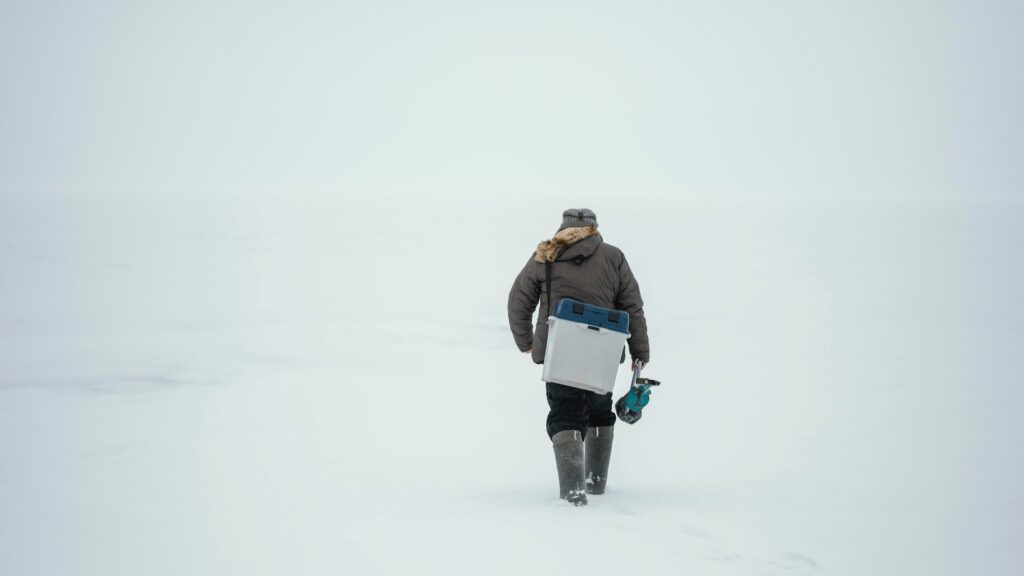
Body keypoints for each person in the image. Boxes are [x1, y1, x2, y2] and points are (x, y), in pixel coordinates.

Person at [507, 208, 650, 506]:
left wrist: (527, 343)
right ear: (594, 230)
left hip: (560, 353)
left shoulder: (546, 255)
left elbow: (518, 300)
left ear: (562, 229)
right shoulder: (614, 257)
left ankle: (573, 492)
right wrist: (640, 352)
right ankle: (595, 483)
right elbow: (632, 306)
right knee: (599, 410)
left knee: (565, 413)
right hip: (605, 353)